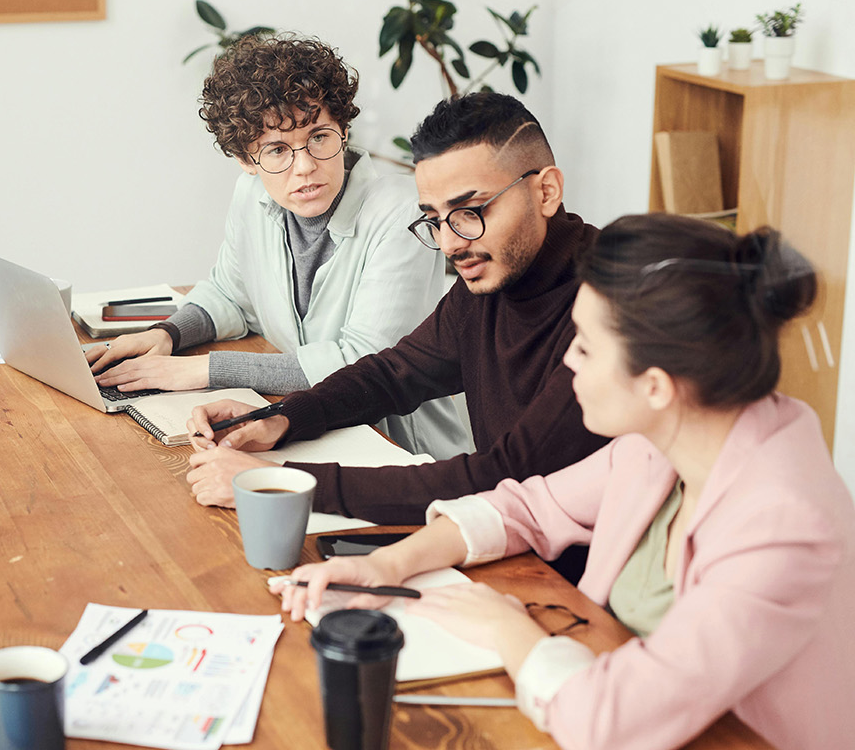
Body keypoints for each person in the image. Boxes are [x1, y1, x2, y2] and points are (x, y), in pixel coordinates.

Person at [276, 215, 855, 750]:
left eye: (584, 346)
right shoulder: (671, 438)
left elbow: (610, 718)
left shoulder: (784, 527)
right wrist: (389, 566)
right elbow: (526, 506)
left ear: (655, 385)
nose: (569, 363)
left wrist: (507, 627)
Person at [185, 92, 608, 526]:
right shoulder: (495, 278)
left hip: (572, 577)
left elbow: (505, 476)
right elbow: (394, 374)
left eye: (471, 211)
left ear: (547, 191)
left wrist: (282, 483)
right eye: (436, 219)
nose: (450, 244)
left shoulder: (609, 310)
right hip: (504, 537)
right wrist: (282, 419)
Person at [86, 34, 469, 461]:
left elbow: (363, 362)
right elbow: (229, 293)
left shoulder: (400, 213)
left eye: (320, 137)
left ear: (344, 128)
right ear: (246, 161)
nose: (305, 167)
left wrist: (198, 370)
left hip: (397, 452)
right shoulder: (252, 196)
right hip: (304, 428)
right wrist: (167, 334)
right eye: (276, 150)